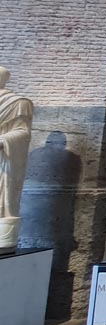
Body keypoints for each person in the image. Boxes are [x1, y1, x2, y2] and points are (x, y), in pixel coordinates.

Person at [0, 66, 32, 253]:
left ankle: (4, 237)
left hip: (4, 156)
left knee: (5, 196)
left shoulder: (18, 102)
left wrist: (3, 140)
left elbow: (23, 132)